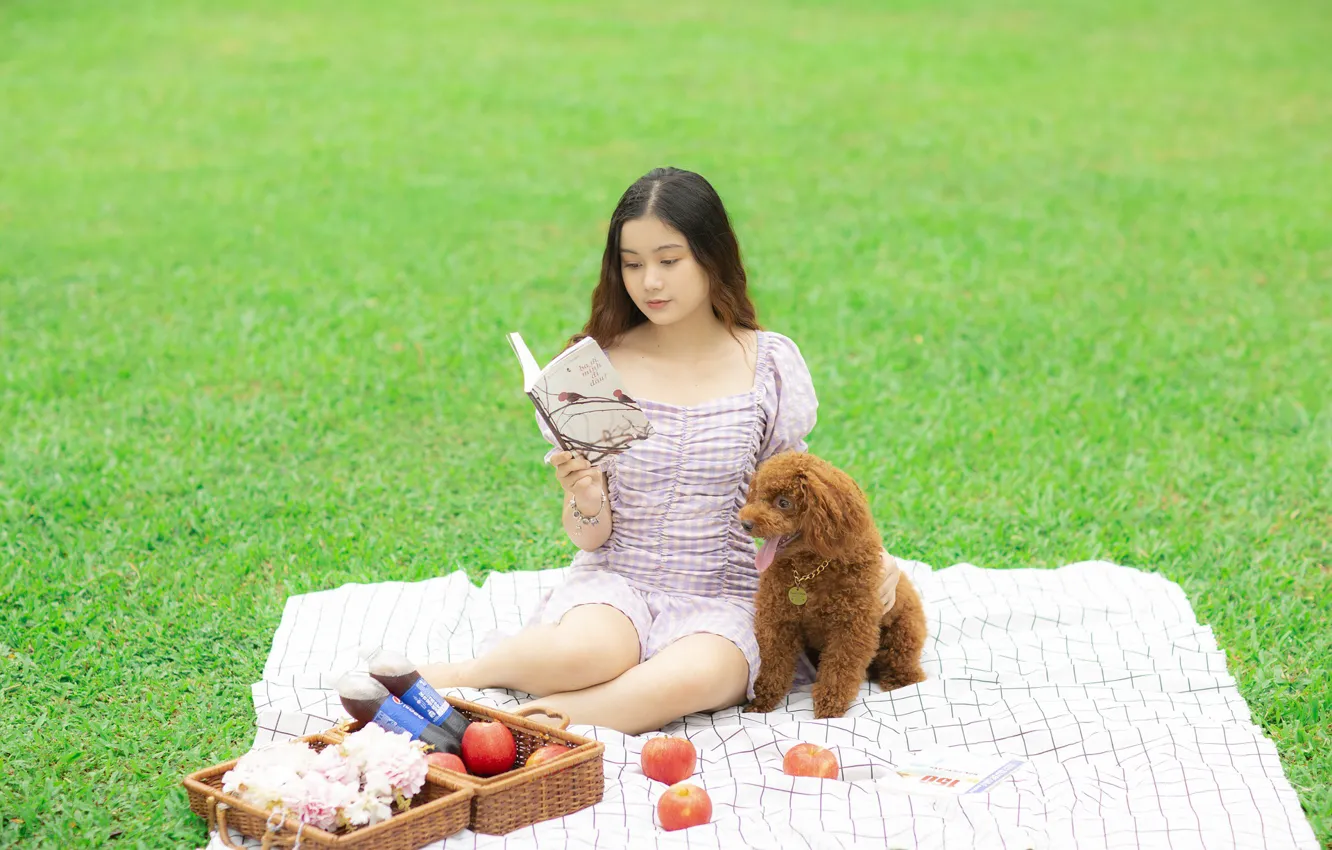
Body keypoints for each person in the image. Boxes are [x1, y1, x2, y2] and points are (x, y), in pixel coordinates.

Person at [422, 167, 900, 734]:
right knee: (581, 655)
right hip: (617, 582)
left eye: (669, 260)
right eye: (632, 263)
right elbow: (588, 537)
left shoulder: (767, 363)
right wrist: (586, 496)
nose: (650, 282)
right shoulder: (599, 364)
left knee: (690, 680)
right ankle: (454, 678)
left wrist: (874, 558)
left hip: (725, 596)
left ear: (711, 257)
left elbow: (795, 494)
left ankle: (520, 728)